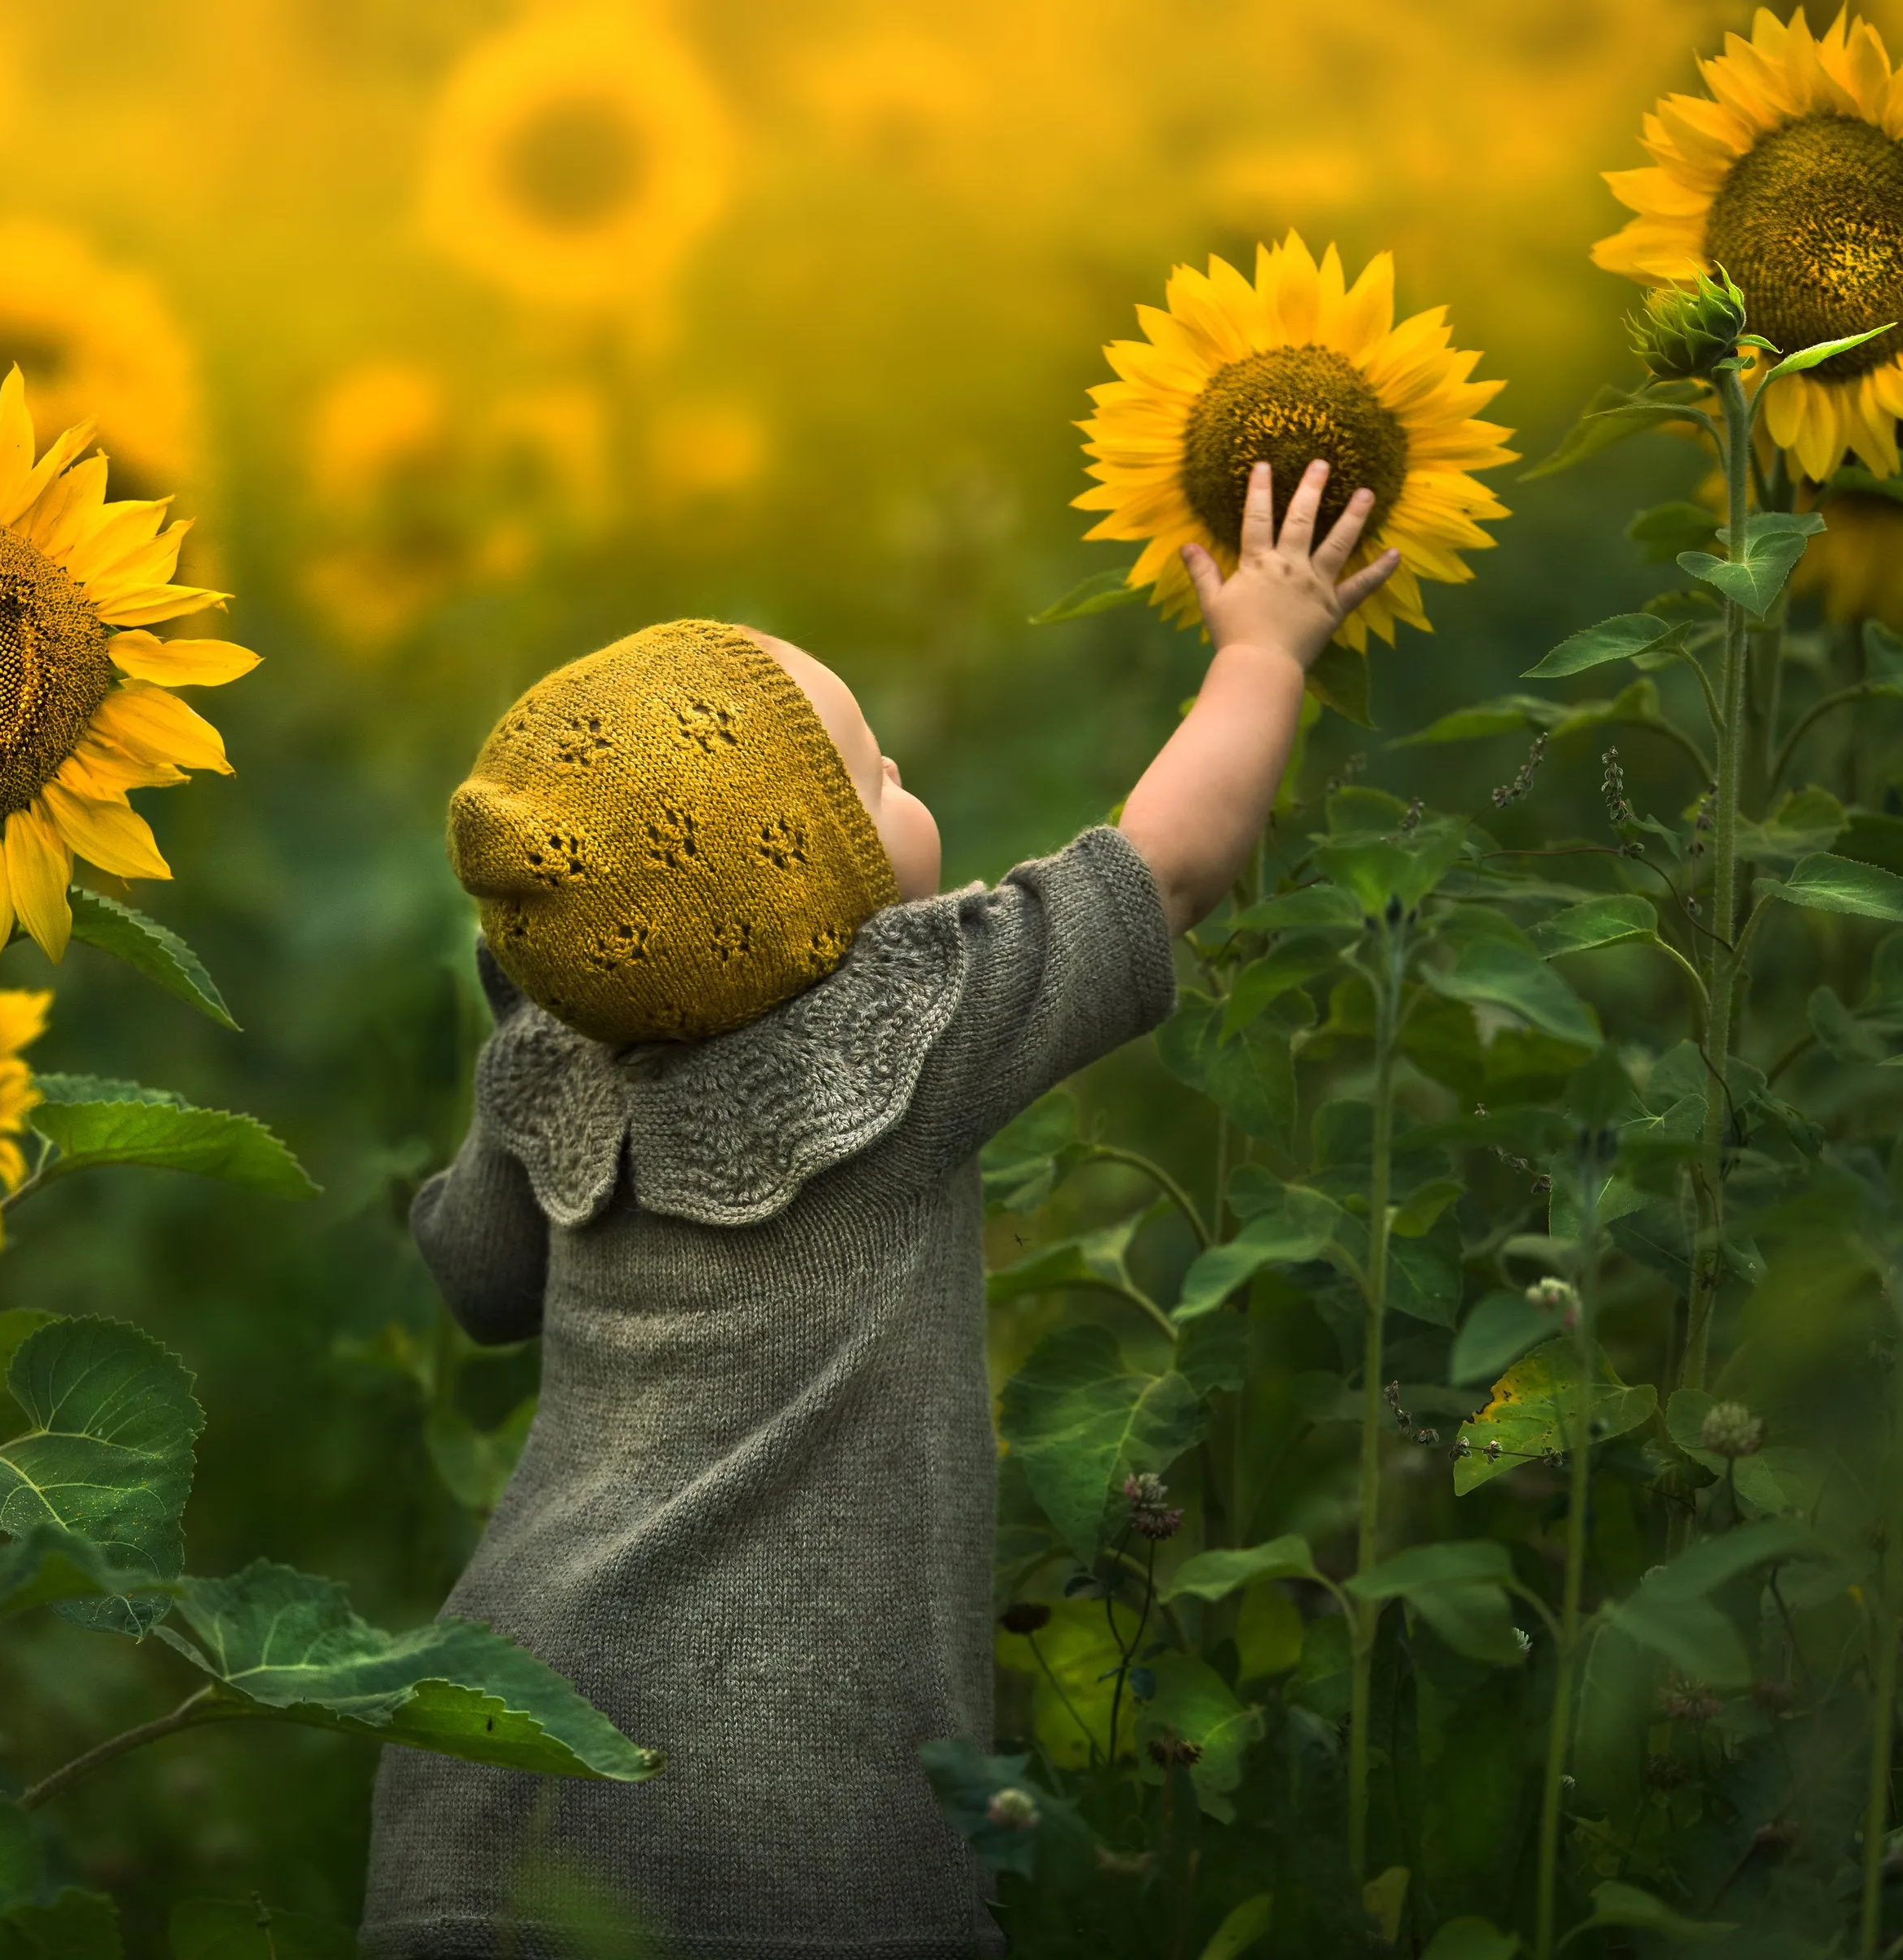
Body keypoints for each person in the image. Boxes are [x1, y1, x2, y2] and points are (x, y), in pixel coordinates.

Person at [361, 459, 1399, 1958]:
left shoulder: (555, 1064)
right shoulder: (907, 1024)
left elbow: (476, 1278)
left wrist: (534, 1020)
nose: (906, 775)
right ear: (806, 889)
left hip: (488, 1758)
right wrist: (1261, 648)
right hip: (784, 1805)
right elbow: (1169, 862)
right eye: (874, 773)